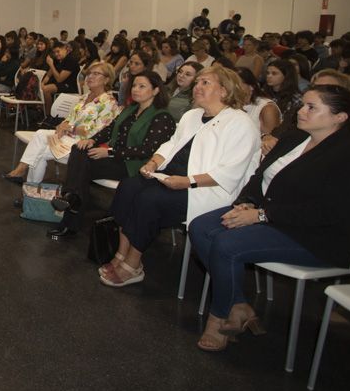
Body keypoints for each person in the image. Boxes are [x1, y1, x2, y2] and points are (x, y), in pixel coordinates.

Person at [189, 85, 350, 351]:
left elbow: (328, 212)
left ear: (340, 117)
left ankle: (218, 317)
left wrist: (262, 215)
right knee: (201, 226)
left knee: (226, 245)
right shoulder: (294, 138)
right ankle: (238, 304)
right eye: (303, 104)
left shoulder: (346, 154)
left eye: (312, 107)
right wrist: (246, 203)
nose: (301, 111)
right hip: (269, 214)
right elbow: (259, 177)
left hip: (317, 235)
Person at [99, 66, 260, 287]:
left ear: (224, 91)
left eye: (205, 83)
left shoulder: (240, 123)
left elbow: (231, 170)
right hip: (171, 177)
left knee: (149, 200)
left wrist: (187, 181)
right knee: (128, 187)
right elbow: (172, 143)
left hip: (206, 189)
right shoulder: (192, 115)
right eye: (198, 82)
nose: (197, 87)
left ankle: (133, 264)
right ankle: (121, 253)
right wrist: (154, 161)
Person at [48, 72, 176, 240]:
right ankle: (72, 198)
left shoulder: (162, 116)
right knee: (79, 150)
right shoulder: (131, 109)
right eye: (134, 86)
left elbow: (147, 150)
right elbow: (109, 129)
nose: (135, 89)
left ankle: (70, 209)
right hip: (115, 157)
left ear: (156, 90)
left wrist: (109, 152)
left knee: (81, 169)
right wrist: (92, 140)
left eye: (142, 86)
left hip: (135, 165)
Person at [2, 61, 120, 184]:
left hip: (81, 144)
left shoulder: (108, 102)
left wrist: (70, 128)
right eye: (89, 73)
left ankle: (29, 187)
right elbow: (71, 118)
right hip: (68, 136)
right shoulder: (85, 97)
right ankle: (23, 173)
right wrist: (62, 125)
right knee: (40, 134)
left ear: (106, 80)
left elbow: (95, 132)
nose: (90, 76)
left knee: (40, 153)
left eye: (96, 74)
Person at [236, 68, 281, 138]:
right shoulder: (228, 104)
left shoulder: (267, 109)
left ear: (251, 86)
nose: (231, 87)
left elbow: (270, 142)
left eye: (236, 84)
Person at [42, 41, 80, 112]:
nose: (56, 54)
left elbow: (59, 79)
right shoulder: (57, 60)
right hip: (59, 84)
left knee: (46, 89)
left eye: (58, 51)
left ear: (65, 49)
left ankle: (48, 114)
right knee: (40, 88)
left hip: (69, 86)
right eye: (54, 52)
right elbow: (48, 75)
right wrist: (42, 84)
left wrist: (51, 65)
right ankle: (41, 111)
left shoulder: (70, 60)